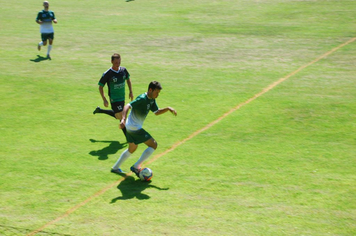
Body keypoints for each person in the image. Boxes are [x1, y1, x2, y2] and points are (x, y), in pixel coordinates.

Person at [111, 81, 177, 175]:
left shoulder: (152, 100)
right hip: (134, 128)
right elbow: (127, 106)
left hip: (130, 127)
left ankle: (115, 167)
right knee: (153, 145)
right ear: (150, 90)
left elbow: (156, 112)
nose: (157, 95)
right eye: (156, 92)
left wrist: (167, 108)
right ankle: (136, 166)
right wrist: (123, 119)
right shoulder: (142, 98)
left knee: (132, 148)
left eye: (158, 93)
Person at [93, 53, 134, 138]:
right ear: (111, 62)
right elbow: (100, 87)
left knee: (119, 116)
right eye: (116, 62)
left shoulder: (123, 70)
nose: (118, 64)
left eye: (119, 62)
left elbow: (128, 79)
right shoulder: (108, 74)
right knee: (122, 117)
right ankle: (128, 137)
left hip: (122, 97)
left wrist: (130, 91)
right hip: (114, 99)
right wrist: (104, 99)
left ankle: (100, 110)